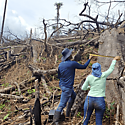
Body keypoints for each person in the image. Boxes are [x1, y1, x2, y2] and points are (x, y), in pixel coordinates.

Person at [53, 48, 93, 123]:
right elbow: (84, 66)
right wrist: (89, 59)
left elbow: (58, 76)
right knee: (62, 104)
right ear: (69, 56)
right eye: (70, 54)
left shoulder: (60, 65)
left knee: (73, 96)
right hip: (67, 87)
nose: (72, 55)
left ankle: (68, 115)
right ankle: (55, 121)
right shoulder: (72, 63)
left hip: (63, 85)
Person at [81, 56, 121, 125]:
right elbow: (111, 69)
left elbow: (83, 88)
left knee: (86, 119)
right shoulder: (103, 75)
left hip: (89, 100)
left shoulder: (89, 77)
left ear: (92, 69)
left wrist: (89, 88)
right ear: (99, 68)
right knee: (99, 120)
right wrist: (114, 60)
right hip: (100, 100)